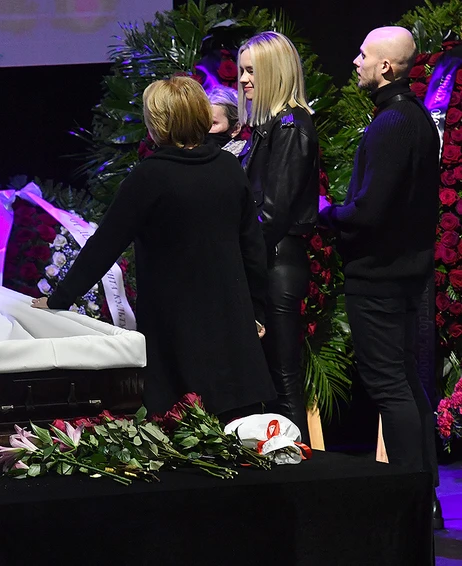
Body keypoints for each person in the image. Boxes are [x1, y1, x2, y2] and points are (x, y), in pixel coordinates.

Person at [33, 76, 276, 420]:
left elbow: (104, 246)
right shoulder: (228, 168)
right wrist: (257, 311)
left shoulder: (149, 177)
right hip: (232, 326)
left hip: (174, 331)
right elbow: (252, 246)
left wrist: (59, 299)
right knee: (239, 431)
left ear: (157, 124)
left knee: (183, 426)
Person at [318, 26, 442, 528]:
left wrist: (326, 211)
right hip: (404, 273)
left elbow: (370, 212)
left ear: (386, 66)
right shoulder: (412, 117)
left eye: (363, 54)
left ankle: (410, 498)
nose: (356, 61)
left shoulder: (392, 123)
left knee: (391, 384)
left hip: (381, 276)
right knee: (405, 380)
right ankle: (423, 493)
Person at [237, 31, 320, 444]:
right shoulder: (270, 127)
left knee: (284, 375)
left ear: (274, 72)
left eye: (252, 71)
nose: (243, 80)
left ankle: (297, 464)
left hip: (277, 262)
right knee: (273, 375)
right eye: (241, 71)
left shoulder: (290, 127)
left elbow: (273, 213)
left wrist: (238, 254)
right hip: (269, 258)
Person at [206, 86, 246, 156]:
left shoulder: (245, 156)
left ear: (235, 129)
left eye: (213, 123)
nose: (204, 128)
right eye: (202, 121)